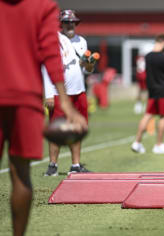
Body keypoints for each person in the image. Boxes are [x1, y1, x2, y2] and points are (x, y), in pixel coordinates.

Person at [0, 0, 88, 235]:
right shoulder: (42, 6)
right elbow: (50, 54)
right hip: (26, 95)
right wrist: (64, 101)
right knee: (21, 173)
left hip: (23, 93)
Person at [43, 9, 95, 176]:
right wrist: (49, 93)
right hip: (60, 93)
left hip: (79, 90)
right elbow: (46, 67)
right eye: (66, 22)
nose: (70, 24)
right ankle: (53, 166)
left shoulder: (82, 41)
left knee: (79, 128)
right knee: (57, 129)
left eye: (72, 21)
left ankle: (76, 165)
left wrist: (89, 67)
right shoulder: (54, 40)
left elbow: (85, 70)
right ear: (61, 24)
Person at [131, 34, 164, 154]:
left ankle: (137, 142)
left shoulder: (148, 56)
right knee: (163, 117)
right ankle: (159, 145)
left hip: (152, 90)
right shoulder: (163, 57)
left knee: (148, 115)